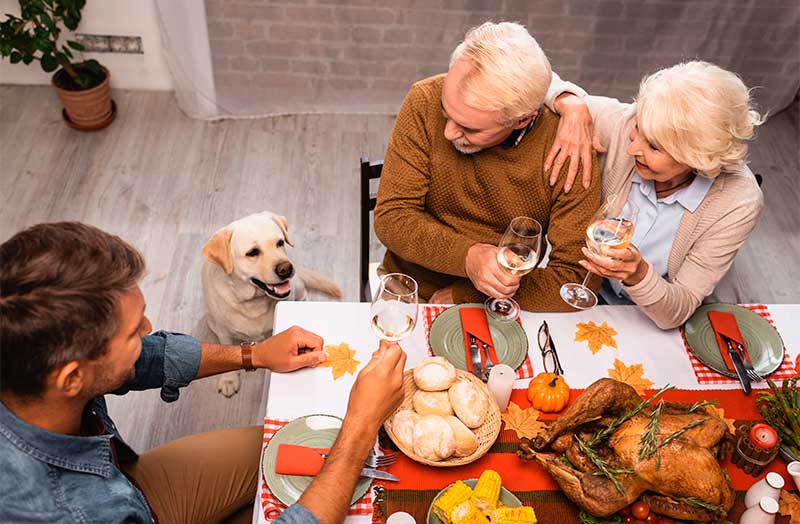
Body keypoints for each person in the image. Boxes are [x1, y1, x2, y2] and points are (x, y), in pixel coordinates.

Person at [0, 222, 405, 524]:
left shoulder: (29, 358)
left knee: (295, 445)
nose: (148, 330)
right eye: (132, 331)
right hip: (118, 507)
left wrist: (254, 354)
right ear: (71, 379)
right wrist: (361, 427)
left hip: (134, 486)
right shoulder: (69, 511)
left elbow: (149, 357)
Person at [373, 21, 602, 310]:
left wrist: (473, 294)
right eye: (446, 113)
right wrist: (468, 257)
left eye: (469, 128)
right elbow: (392, 218)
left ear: (522, 120)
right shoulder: (424, 100)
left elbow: (576, 279)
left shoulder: (567, 144)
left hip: (507, 297)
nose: (449, 133)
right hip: (409, 287)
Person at [547, 61, 764, 328]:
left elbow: (678, 310)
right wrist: (572, 105)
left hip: (647, 318)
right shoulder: (624, 124)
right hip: (580, 294)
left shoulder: (738, 201)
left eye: (653, 146)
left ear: (696, 157)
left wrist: (637, 274)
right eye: (638, 129)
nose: (632, 149)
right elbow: (539, 80)